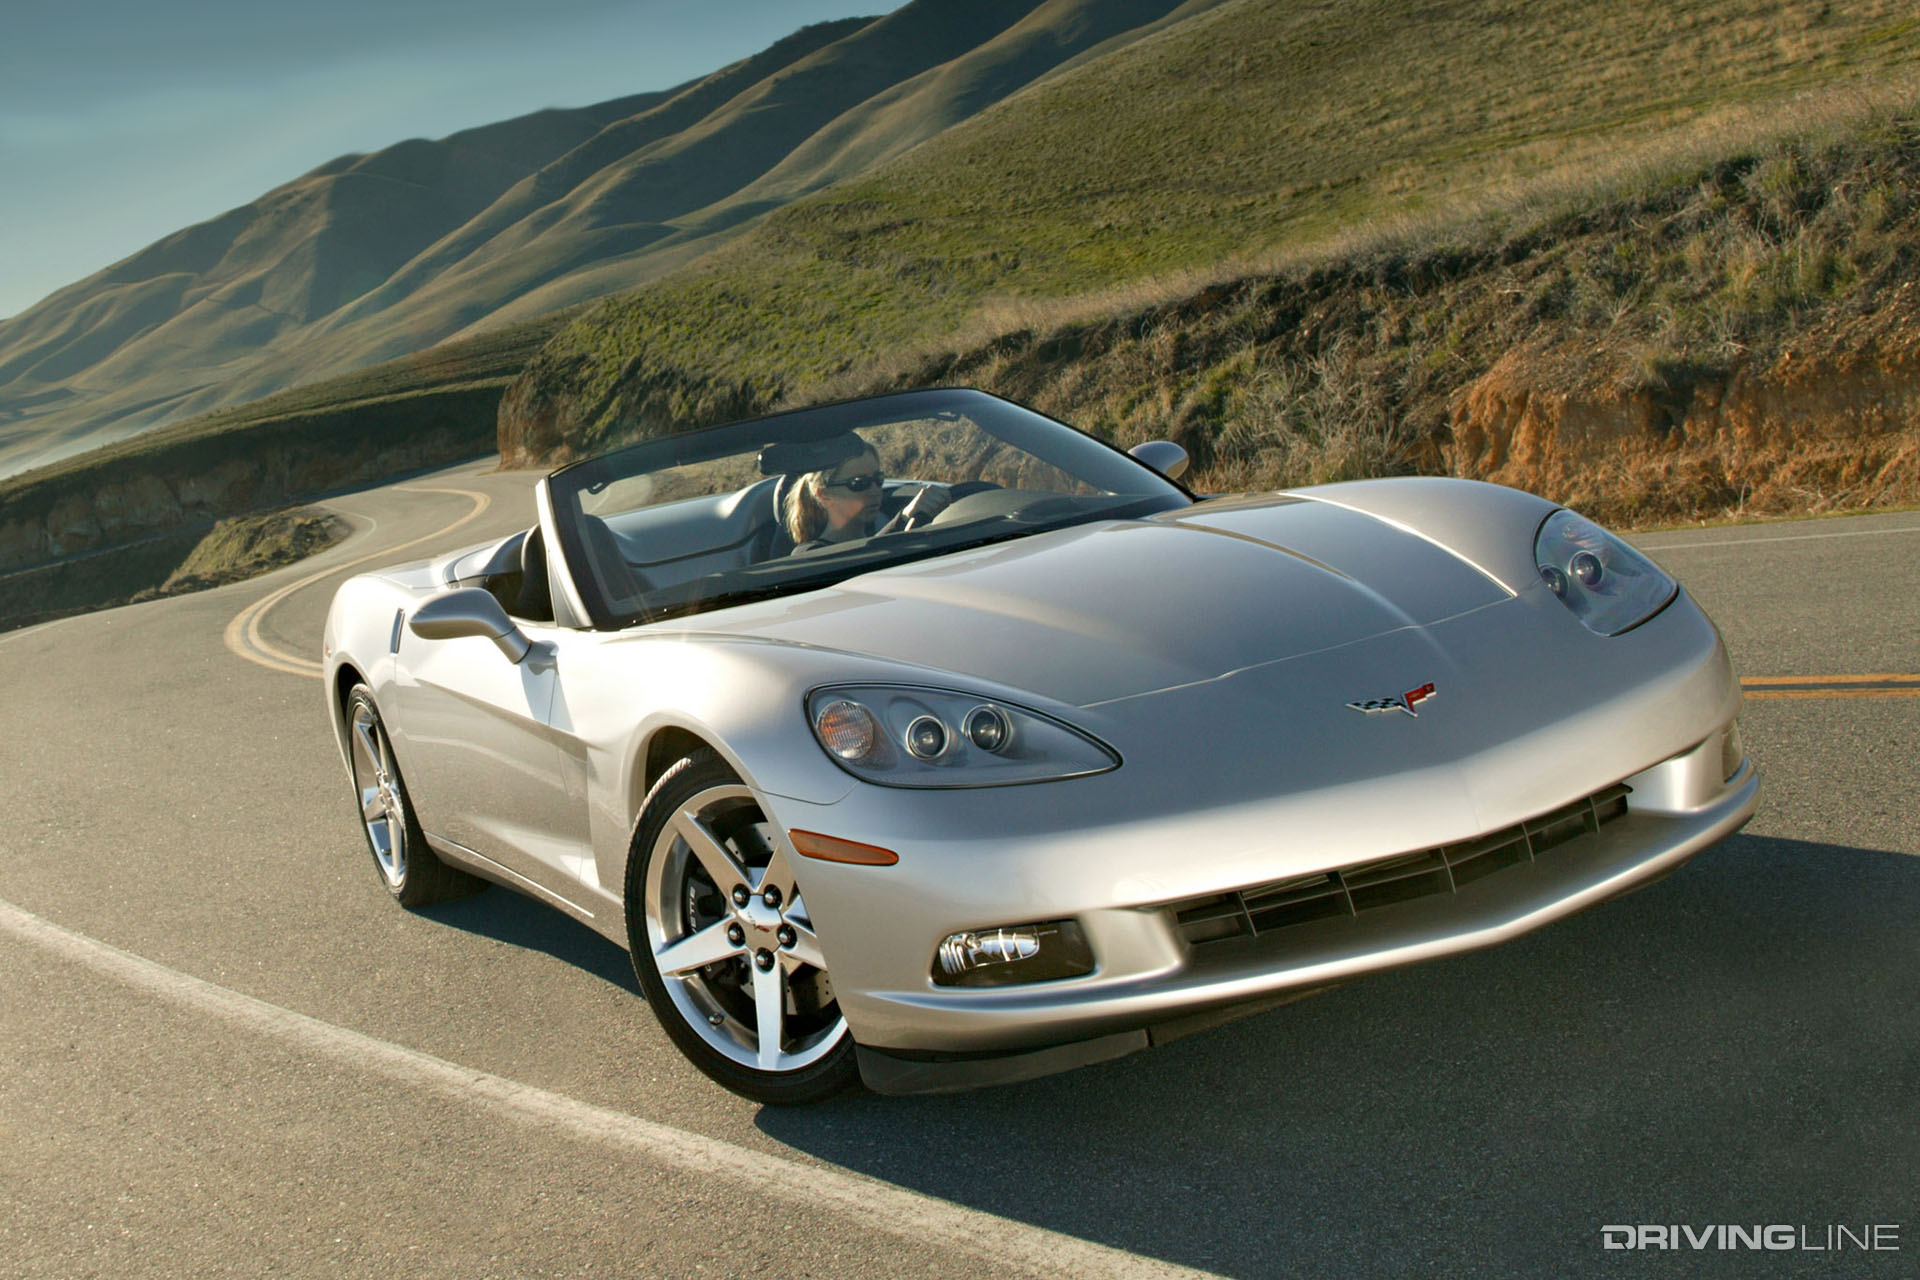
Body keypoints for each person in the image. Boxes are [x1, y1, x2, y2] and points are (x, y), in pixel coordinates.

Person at [781, 434, 949, 551]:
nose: (875, 491)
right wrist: (903, 518)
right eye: (859, 483)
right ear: (824, 495)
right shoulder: (809, 554)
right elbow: (862, 559)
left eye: (879, 479)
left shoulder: (882, 526)